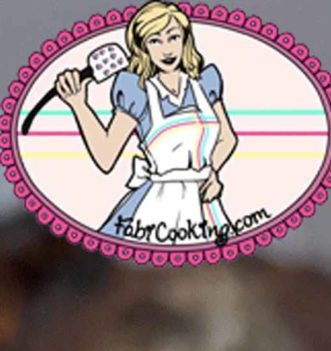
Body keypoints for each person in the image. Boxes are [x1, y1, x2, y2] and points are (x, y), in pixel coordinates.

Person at [57, 2, 237, 246]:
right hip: (156, 204)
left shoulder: (205, 83)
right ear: (142, 48)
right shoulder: (137, 92)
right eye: (155, 40)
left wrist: (212, 173)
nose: (167, 49)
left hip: (205, 202)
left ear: (186, 39)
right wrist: (79, 105)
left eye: (173, 37)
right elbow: (105, 154)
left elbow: (227, 138)